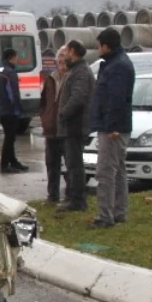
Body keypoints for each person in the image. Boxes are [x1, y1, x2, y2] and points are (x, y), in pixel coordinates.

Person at [90, 29, 135, 228]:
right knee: (118, 170)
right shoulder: (113, 63)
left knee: (106, 171)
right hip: (114, 124)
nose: (98, 49)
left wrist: (112, 126)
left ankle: (105, 216)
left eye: (99, 45)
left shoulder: (118, 67)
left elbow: (116, 99)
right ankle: (119, 212)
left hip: (113, 127)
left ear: (106, 45)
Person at [57, 40, 94, 213]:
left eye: (67, 54)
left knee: (75, 164)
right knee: (71, 164)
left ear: (74, 52)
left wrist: (64, 113)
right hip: (71, 124)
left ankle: (78, 200)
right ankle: (72, 197)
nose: (65, 58)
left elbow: (78, 97)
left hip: (75, 124)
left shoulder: (81, 72)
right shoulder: (76, 70)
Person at [38, 46, 69, 203]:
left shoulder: (72, 77)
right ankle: (52, 195)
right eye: (60, 56)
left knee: (70, 164)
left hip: (66, 129)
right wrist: (44, 117)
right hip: (51, 128)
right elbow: (44, 102)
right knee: (51, 164)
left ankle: (71, 195)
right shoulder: (50, 78)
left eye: (65, 55)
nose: (62, 59)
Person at [0, 47, 28, 173]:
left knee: (10, 137)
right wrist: (20, 109)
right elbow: (14, 93)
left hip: (2, 107)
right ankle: (5, 165)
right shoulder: (10, 72)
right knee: (9, 138)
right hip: (10, 110)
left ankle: (13, 161)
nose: (17, 59)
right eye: (16, 57)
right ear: (11, 57)